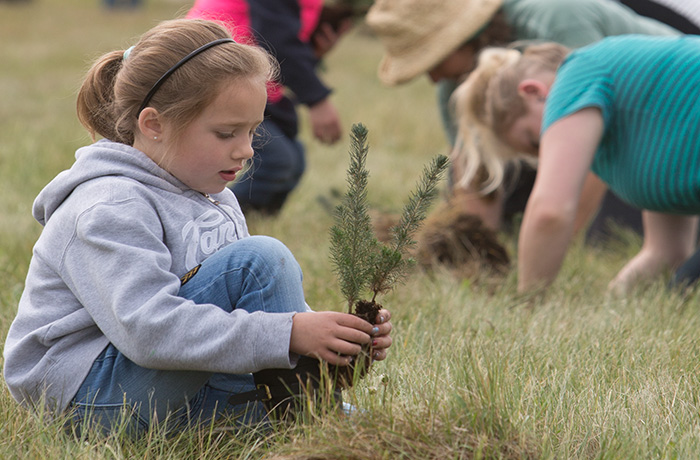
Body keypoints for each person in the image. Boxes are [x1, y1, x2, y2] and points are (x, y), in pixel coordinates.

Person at [2, 18, 392, 435]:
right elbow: (149, 332)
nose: (245, 150)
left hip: (163, 379)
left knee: (285, 418)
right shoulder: (107, 206)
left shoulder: (212, 193)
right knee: (259, 259)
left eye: (252, 130)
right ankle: (312, 413)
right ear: (153, 125)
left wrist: (331, 335)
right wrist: (290, 333)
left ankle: (310, 414)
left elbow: (249, 312)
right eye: (226, 132)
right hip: (90, 399)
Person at [366, 0, 680, 242]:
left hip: (664, 131)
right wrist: (480, 249)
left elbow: (590, 140)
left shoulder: (557, 16)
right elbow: (476, 175)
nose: (433, 78)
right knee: (512, 225)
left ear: (464, 36)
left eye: (433, 60)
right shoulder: (453, 83)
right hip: (563, 141)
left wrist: (558, 241)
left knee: (607, 237)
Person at [450, 35, 700, 294]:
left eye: (535, 142)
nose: (546, 154)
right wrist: (611, 302)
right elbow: (667, 253)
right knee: (681, 290)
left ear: (534, 93)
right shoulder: (644, 131)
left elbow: (551, 211)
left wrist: (527, 303)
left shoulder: (578, 74)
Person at [187, 0, 351, 215]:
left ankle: (257, 220)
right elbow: (278, 42)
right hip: (210, 80)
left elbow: (281, 36)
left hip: (244, 82)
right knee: (277, 161)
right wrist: (317, 100)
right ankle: (213, 220)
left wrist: (313, 53)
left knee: (294, 161)